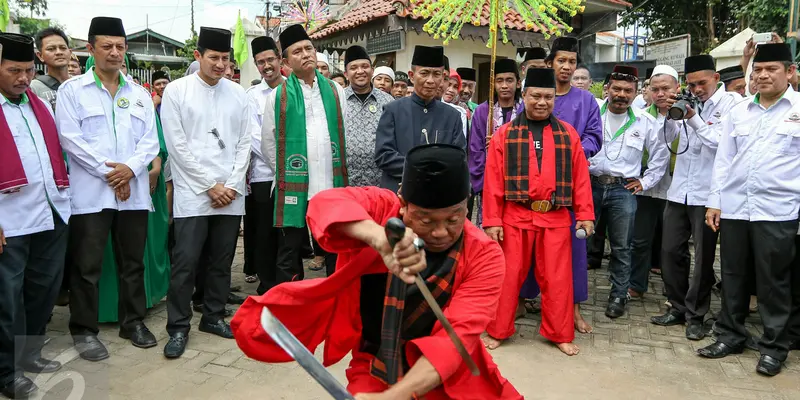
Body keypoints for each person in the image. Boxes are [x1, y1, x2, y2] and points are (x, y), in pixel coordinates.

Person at [232, 143, 522, 399]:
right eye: (425, 219)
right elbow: (324, 204)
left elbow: (454, 342)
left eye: (454, 218)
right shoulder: (383, 209)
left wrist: (395, 397)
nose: (440, 232)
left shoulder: (484, 254)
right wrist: (378, 238)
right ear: (403, 202)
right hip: (376, 361)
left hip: (450, 371)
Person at [56, 17, 160, 361]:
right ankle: (84, 331)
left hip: (134, 193)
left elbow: (150, 142)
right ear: (90, 49)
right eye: (107, 46)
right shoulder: (72, 91)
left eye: (120, 46)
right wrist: (112, 175)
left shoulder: (140, 94)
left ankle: (134, 322)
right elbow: (71, 141)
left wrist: (130, 169)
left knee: (133, 263)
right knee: (87, 266)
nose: (115, 53)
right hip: (91, 195)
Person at [698, 43, 800, 377]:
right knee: (732, 276)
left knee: (773, 283)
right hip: (736, 208)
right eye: (758, 70)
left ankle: (774, 347)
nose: (763, 75)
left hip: (778, 210)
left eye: (771, 69)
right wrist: (715, 201)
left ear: (790, 72)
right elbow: (724, 160)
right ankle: (730, 335)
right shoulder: (738, 112)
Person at [481, 68, 595, 354]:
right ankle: (498, 329)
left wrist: (585, 215)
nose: (542, 102)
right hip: (514, 217)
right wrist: (492, 220)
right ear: (524, 96)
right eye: (535, 96)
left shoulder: (567, 134)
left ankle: (559, 333)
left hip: (555, 217)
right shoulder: (504, 135)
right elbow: (493, 180)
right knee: (507, 277)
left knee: (557, 279)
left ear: (554, 99)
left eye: (548, 97)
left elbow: (580, 178)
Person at [160, 26, 253, 359]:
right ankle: (178, 326)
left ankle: (213, 316)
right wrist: (209, 185)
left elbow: (246, 142)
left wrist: (230, 183)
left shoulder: (238, 94)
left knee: (221, 260)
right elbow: (177, 146)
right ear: (198, 56)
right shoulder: (176, 91)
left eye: (225, 59)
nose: (220, 65)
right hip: (193, 193)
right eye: (213, 57)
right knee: (185, 262)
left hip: (230, 191)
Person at [651, 55, 743, 340]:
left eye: (702, 83)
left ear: (716, 78)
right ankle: (676, 306)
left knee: (703, 258)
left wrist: (694, 120)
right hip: (679, 191)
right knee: (670, 251)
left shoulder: (733, 105)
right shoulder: (684, 101)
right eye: (691, 84)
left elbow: (721, 144)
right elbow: (662, 141)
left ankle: (696, 314)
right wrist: (669, 114)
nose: (697, 89)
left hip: (708, 193)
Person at [0, 32, 71, 399]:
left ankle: (30, 354)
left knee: (42, 290)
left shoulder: (37, 103)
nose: (24, 78)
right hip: (7, 219)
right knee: (6, 300)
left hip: (50, 210)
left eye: (29, 70)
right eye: (14, 70)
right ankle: (6, 372)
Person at [518, 36, 603, 333]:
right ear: (550, 63)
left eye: (572, 62)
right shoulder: (537, 94)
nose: (567, 67)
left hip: (570, 187)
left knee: (574, 252)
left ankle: (573, 309)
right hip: (535, 188)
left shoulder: (586, 100)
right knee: (528, 248)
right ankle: (522, 299)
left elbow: (595, 136)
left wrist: (573, 151)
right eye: (561, 61)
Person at [261, 24, 348, 283]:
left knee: (335, 248)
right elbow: (268, 143)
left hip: (331, 185)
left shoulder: (335, 90)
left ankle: (335, 299)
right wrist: (289, 174)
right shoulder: (278, 96)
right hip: (294, 187)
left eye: (309, 48)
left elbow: (343, 134)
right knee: (289, 252)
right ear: (285, 62)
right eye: (297, 51)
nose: (306, 54)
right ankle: (291, 307)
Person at [589, 65, 669, 319]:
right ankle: (573, 292)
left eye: (628, 90)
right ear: (607, 89)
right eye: (617, 89)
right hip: (589, 184)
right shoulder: (591, 113)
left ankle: (618, 294)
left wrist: (645, 182)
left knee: (623, 246)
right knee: (580, 240)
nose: (622, 94)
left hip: (623, 189)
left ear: (635, 93)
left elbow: (660, 154)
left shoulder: (645, 120)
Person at [375, 45, 465, 193]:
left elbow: (458, 157)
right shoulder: (392, 110)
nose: (430, 80)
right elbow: (383, 155)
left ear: (443, 78)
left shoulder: (452, 116)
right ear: (411, 75)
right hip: (398, 193)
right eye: (424, 73)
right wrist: (422, 171)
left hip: (438, 194)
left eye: (436, 74)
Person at [628, 65, 680, 299]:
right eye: (655, 89)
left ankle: (674, 292)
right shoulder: (640, 117)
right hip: (646, 188)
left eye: (665, 88)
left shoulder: (688, 115)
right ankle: (637, 285)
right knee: (640, 240)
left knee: (673, 245)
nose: (660, 94)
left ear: (677, 88)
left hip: (676, 189)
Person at [243, 36, 283, 295]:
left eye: (270, 60)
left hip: (294, 174)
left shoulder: (296, 90)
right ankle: (268, 284)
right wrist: (278, 161)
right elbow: (254, 136)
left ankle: (288, 280)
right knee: (264, 233)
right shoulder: (252, 96)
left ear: (280, 59)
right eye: (260, 62)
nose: (266, 66)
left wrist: (289, 164)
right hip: (263, 176)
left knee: (288, 232)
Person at [468, 59, 521, 227]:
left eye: (509, 80)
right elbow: (475, 149)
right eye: (499, 80)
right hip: (489, 183)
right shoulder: (482, 111)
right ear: (493, 84)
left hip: (519, 183)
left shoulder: (525, 111)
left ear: (518, 83)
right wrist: (485, 181)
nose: (504, 85)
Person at [343, 45, 394, 188]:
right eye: (353, 68)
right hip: (347, 183)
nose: (360, 71)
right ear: (346, 74)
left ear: (372, 70)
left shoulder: (388, 102)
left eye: (365, 66)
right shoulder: (337, 99)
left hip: (380, 182)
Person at [31, 27, 71, 110]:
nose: (59, 52)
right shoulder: (33, 88)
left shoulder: (81, 84)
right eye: (51, 49)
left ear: (70, 52)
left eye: (63, 48)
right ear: (40, 56)